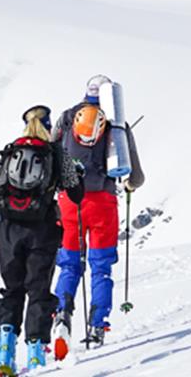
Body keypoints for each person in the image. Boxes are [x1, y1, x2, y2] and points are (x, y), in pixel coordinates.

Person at [0, 106, 83, 373]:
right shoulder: (56, 152)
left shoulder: (10, 150)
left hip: (8, 230)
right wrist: (77, 175)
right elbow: (76, 195)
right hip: (42, 230)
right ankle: (36, 353)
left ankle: (5, 349)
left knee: (12, 290)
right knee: (38, 291)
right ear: (48, 126)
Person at [50, 77, 145, 348]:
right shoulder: (117, 125)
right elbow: (135, 176)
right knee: (100, 268)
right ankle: (97, 324)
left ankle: (62, 314)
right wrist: (128, 183)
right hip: (103, 203)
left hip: (70, 201)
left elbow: (51, 150)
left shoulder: (67, 118)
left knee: (69, 264)